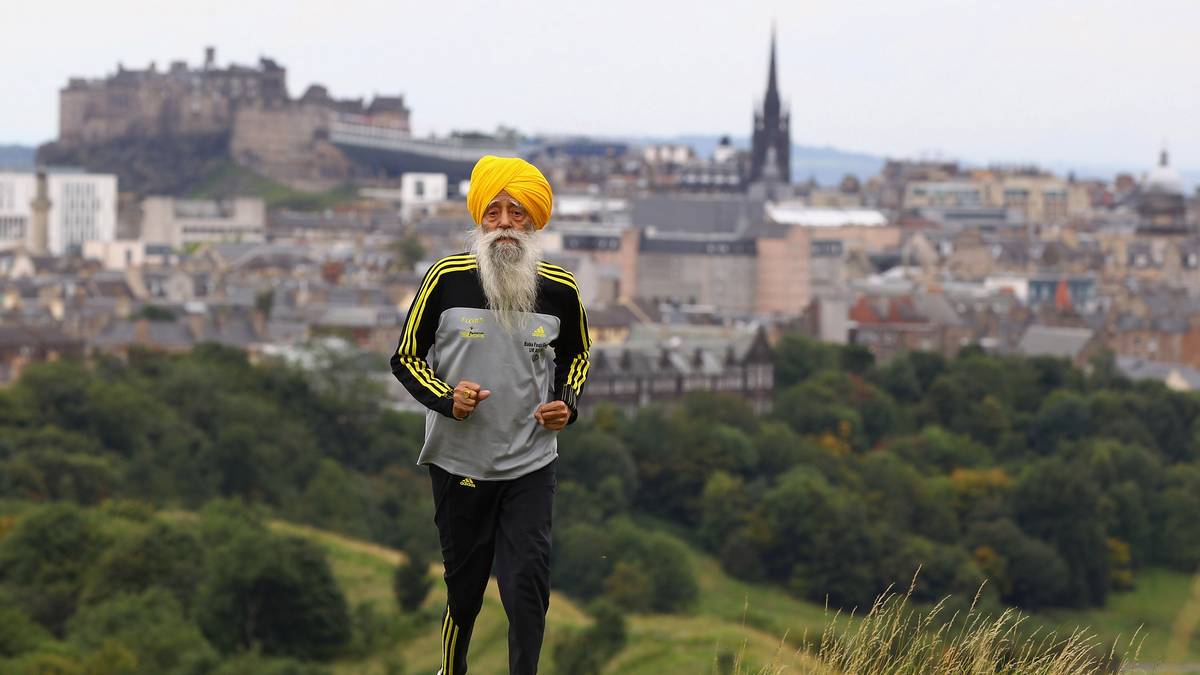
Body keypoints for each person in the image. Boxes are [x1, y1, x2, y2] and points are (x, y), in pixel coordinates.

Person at [391, 155, 590, 675]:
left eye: (517, 212)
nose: (505, 224)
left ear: (534, 220)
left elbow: (577, 356)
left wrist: (566, 404)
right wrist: (446, 397)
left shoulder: (561, 289)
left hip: (530, 463)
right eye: (494, 212)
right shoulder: (446, 279)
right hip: (459, 462)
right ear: (479, 218)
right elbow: (406, 358)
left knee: (527, 589)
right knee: (465, 593)